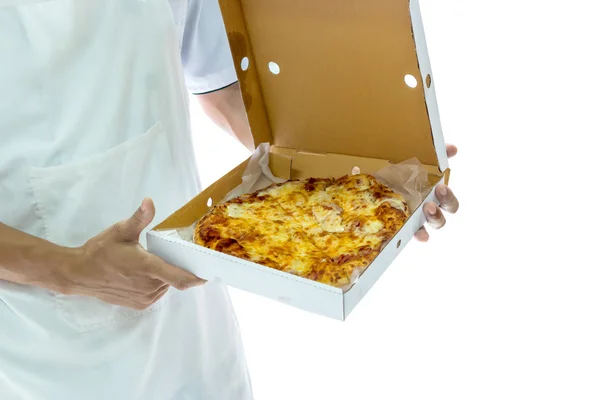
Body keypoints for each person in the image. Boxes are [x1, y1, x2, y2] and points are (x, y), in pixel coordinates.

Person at [0, 0, 459, 399]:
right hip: (50, 351)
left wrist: (360, 189)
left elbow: (222, 90)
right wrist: (72, 271)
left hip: (194, 312)